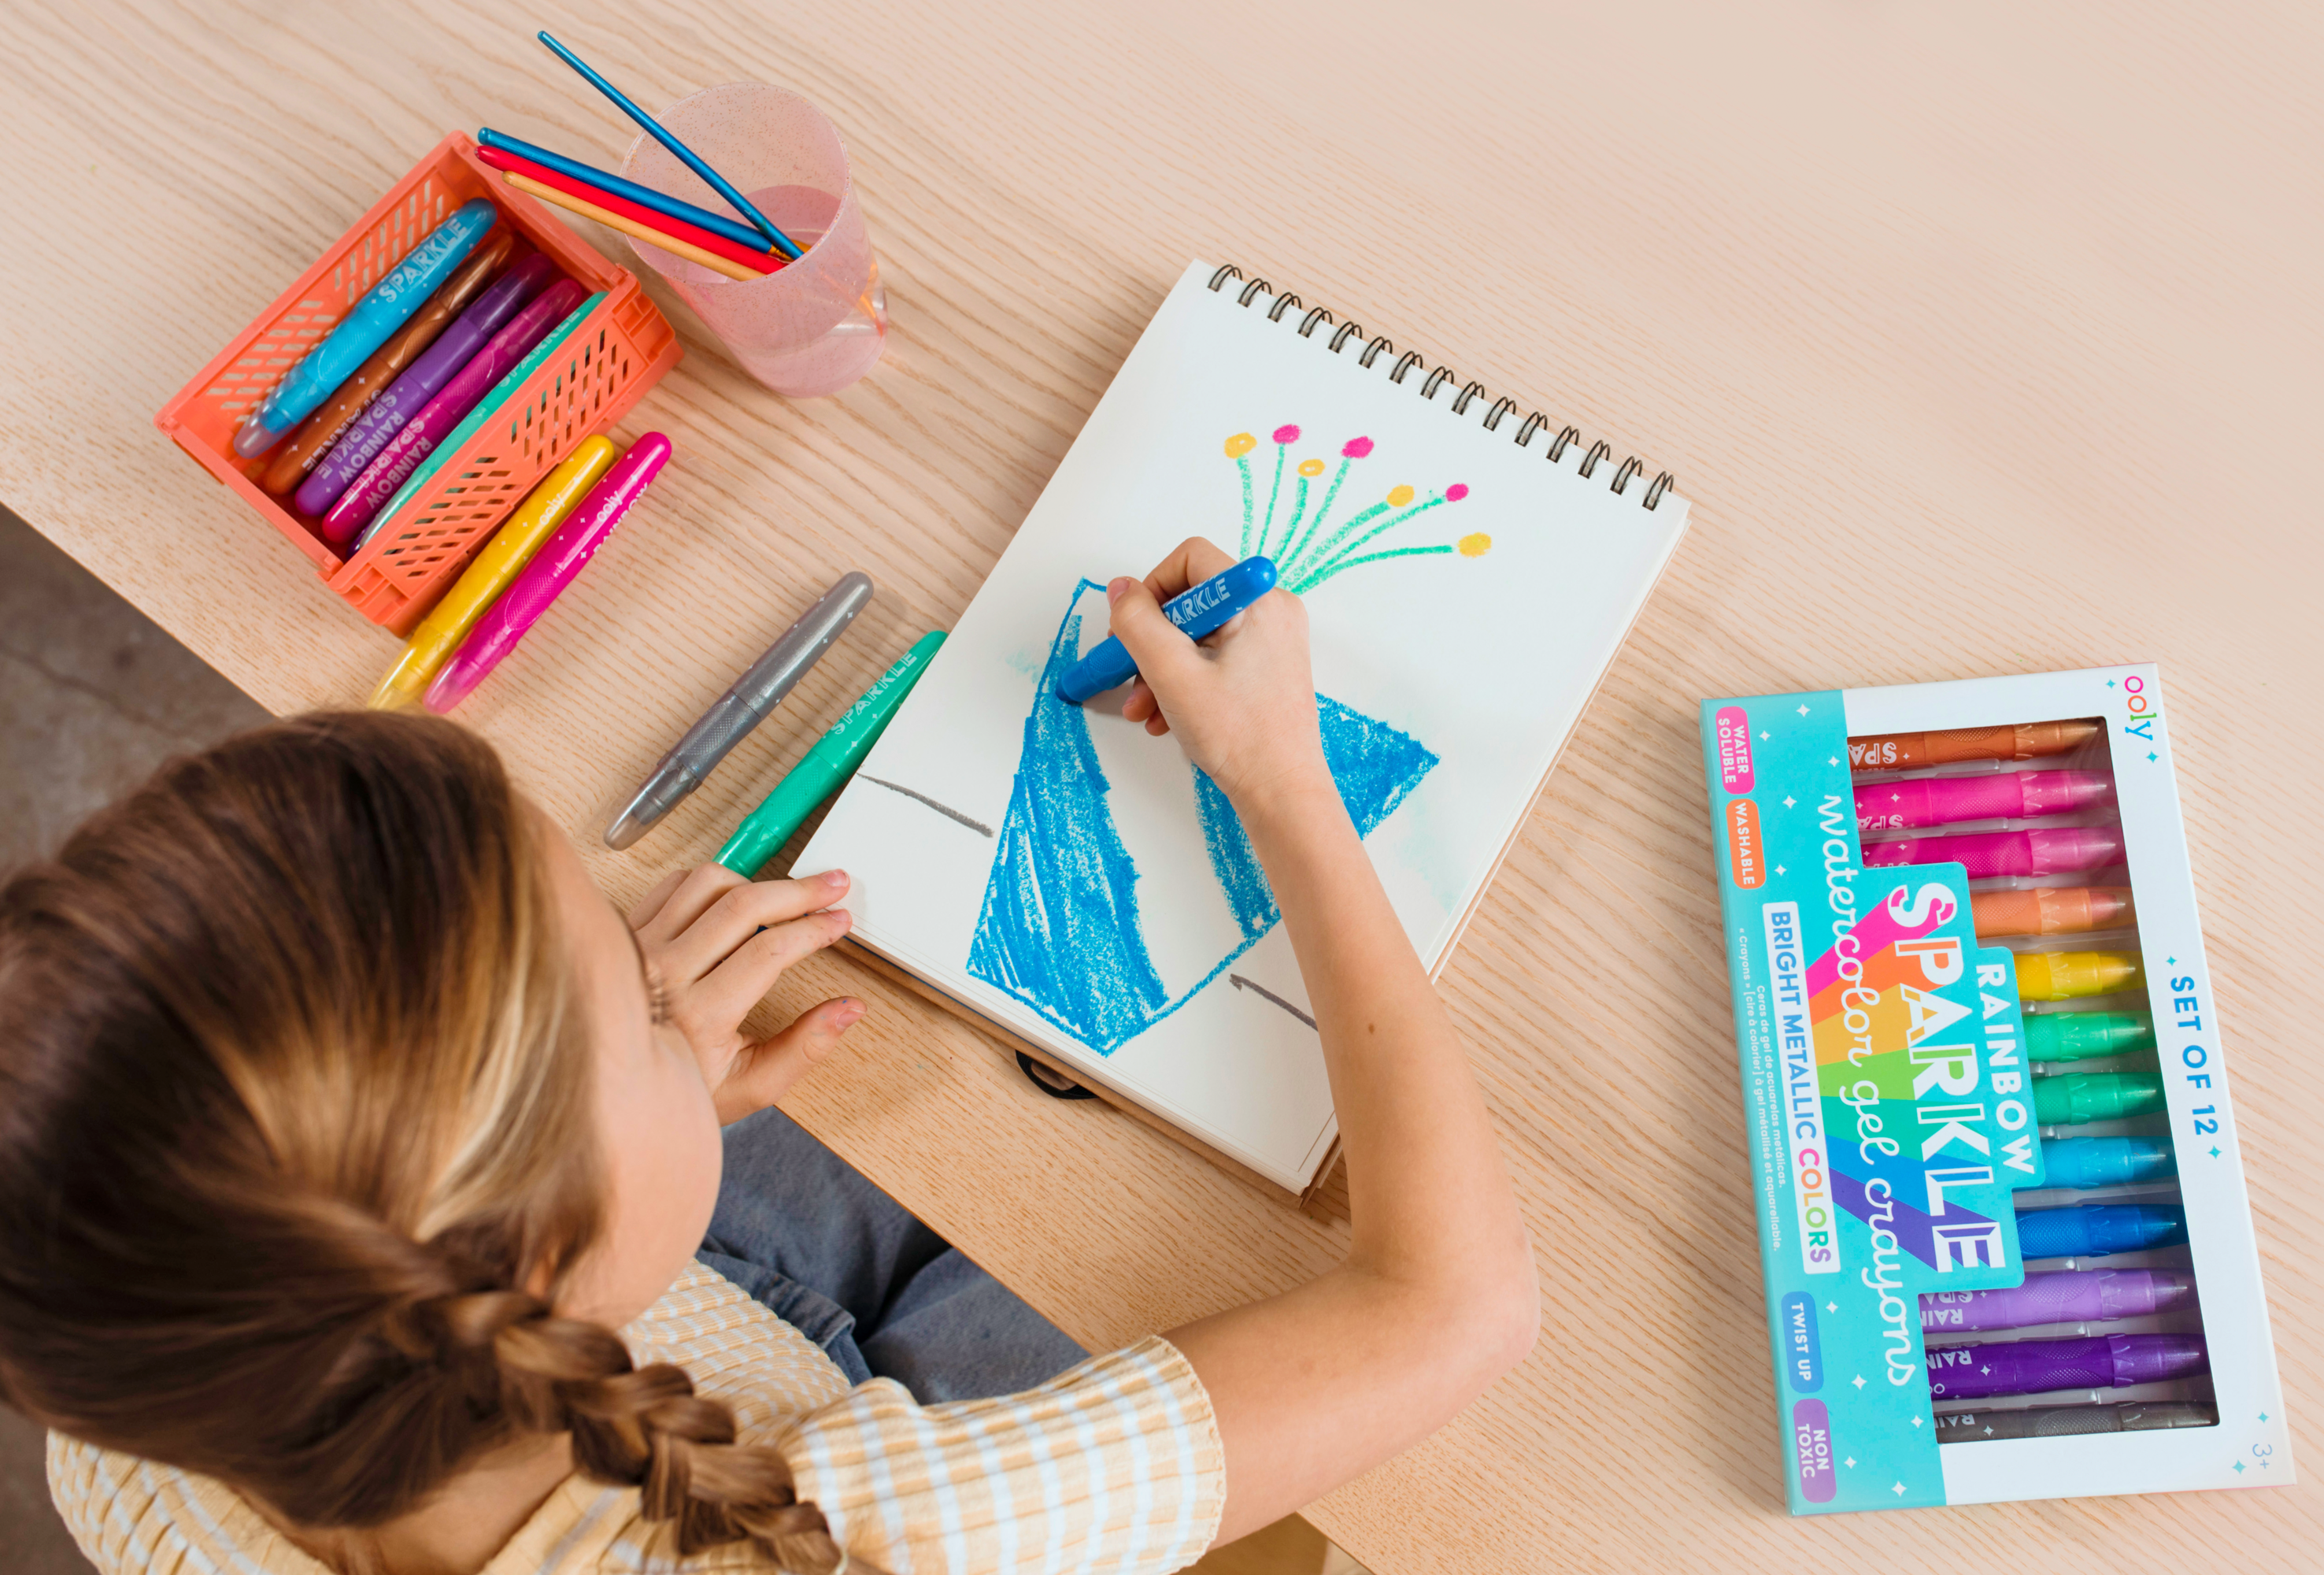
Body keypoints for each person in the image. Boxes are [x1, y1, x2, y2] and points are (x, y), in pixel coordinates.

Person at [0, 538, 1537, 1575]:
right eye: (632, 993)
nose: (664, 970)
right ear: (548, 1242)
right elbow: (1454, 1306)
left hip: (687, 1339)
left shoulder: (130, 1414)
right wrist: (1281, 778)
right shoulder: (860, 1539)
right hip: (781, 1443)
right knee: (1145, 1237)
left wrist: (627, 1086)